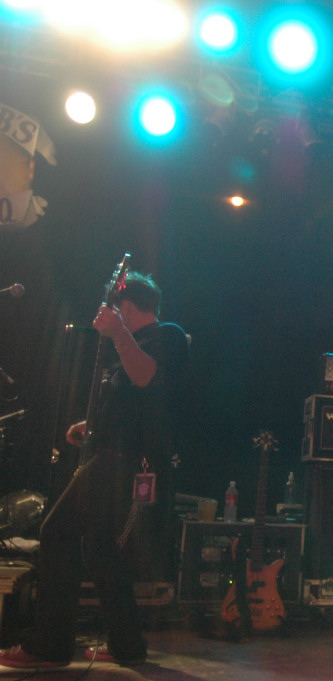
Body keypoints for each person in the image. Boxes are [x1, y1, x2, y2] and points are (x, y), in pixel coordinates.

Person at [0, 271, 188, 669]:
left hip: (128, 463)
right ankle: (127, 645)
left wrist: (119, 333)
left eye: (114, 310)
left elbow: (147, 378)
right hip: (113, 456)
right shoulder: (130, 344)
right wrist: (92, 427)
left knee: (57, 531)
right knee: (103, 551)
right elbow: (134, 407)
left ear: (127, 307)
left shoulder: (166, 335)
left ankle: (49, 645)